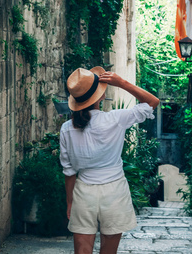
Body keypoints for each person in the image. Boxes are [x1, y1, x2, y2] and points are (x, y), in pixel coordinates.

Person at [59, 66, 160, 254]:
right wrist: (122, 83)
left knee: (82, 251)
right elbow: (152, 102)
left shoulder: (66, 128)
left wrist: (70, 202)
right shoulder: (116, 119)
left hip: (83, 192)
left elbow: (69, 170)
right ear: (100, 96)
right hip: (114, 191)